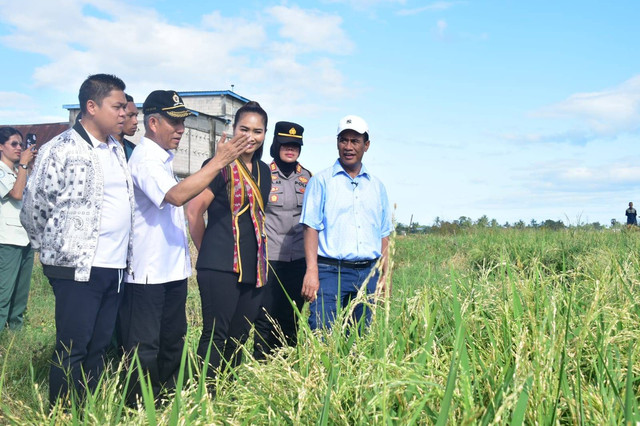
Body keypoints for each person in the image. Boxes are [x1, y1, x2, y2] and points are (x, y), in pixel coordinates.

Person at [118, 90, 247, 405]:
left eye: (183, 121)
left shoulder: (163, 160)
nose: (181, 129)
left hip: (171, 271)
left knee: (172, 342)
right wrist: (219, 162)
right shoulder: (145, 160)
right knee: (145, 348)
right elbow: (176, 196)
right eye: (174, 121)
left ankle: (169, 403)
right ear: (153, 122)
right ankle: (139, 408)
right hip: (147, 275)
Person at [20, 74, 134, 405]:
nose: (123, 114)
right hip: (75, 266)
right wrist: (52, 249)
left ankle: (87, 411)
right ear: (91, 106)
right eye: (117, 107)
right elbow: (34, 206)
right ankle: (60, 412)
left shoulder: (116, 150)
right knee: (73, 347)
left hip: (113, 266)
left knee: (98, 348)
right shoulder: (62, 148)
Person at [186, 101, 271, 378]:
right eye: (244, 129)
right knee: (216, 334)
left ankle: (226, 391)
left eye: (257, 131)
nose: (250, 136)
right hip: (220, 264)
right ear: (233, 129)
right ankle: (203, 394)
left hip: (253, 267)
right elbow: (194, 212)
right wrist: (209, 253)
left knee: (239, 335)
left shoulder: (264, 171)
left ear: (264, 134)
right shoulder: (216, 165)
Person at [300, 115, 393, 331]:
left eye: (355, 141)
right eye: (344, 140)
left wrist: (384, 277)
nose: (348, 147)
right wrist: (311, 270)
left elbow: (384, 234)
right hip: (330, 271)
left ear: (366, 145)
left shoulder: (377, 187)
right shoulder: (321, 182)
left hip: (367, 273)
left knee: (361, 339)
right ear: (337, 143)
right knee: (323, 335)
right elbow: (310, 227)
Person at [253, 121, 311, 359]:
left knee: (291, 316)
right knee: (265, 316)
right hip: (269, 258)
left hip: (298, 260)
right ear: (276, 145)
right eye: (286, 144)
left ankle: (287, 367)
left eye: (295, 146)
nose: (290, 150)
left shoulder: (308, 178)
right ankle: (261, 366)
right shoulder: (263, 173)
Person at [0, 127, 36, 332]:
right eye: (13, 144)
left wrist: (28, 167)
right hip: (7, 240)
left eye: (21, 144)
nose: (19, 148)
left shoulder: (19, 170)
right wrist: (23, 164)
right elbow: (16, 193)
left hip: (25, 239)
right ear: (1, 147)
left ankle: (14, 338)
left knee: (20, 296)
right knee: (3, 294)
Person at [114, 93, 138, 160]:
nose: (136, 121)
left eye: (136, 116)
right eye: (130, 115)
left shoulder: (134, 150)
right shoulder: (102, 149)